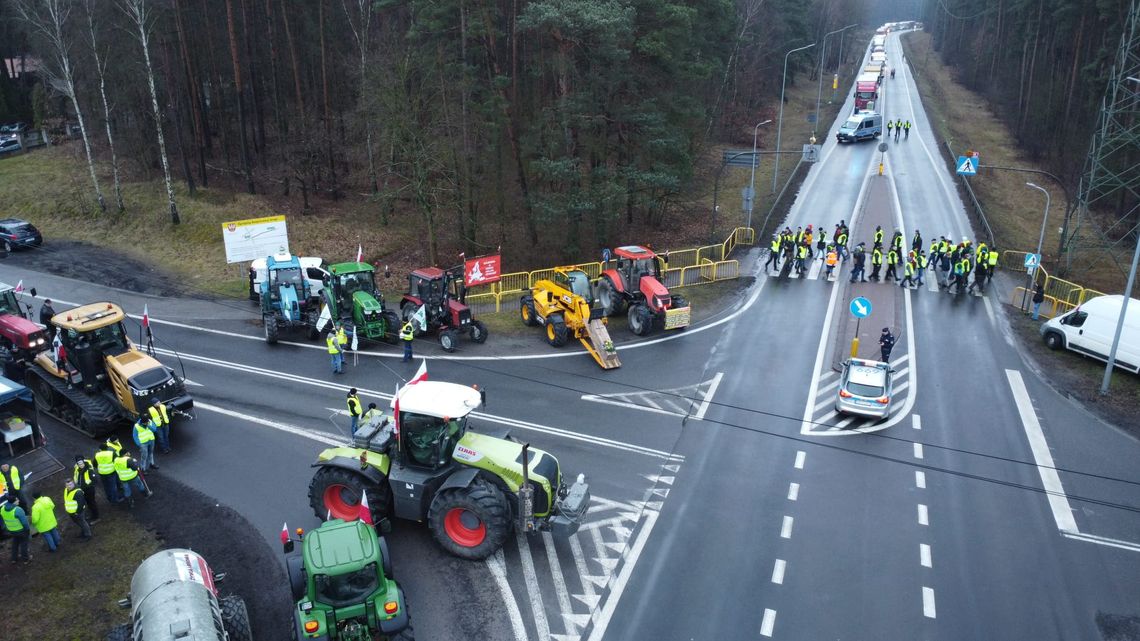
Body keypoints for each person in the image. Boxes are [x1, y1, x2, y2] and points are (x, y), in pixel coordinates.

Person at [2, 493, 31, 563]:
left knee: (15, 543)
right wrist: (27, 529)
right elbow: (24, 522)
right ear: (13, 502)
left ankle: (14, 559)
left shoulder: (2, 509)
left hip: (11, 530)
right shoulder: (18, 510)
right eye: (17, 500)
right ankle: (26, 559)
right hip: (21, 530)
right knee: (24, 544)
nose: (18, 501)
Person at [72, 456, 100, 523]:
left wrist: (88, 486)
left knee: (92, 503)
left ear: (84, 462)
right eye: (79, 464)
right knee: (88, 503)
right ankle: (92, 515)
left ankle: (96, 517)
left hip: (89, 490)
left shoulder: (89, 470)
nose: (81, 465)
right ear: (77, 464)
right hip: (83, 490)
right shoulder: (78, 470)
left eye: (82, 463)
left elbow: (95, 480)